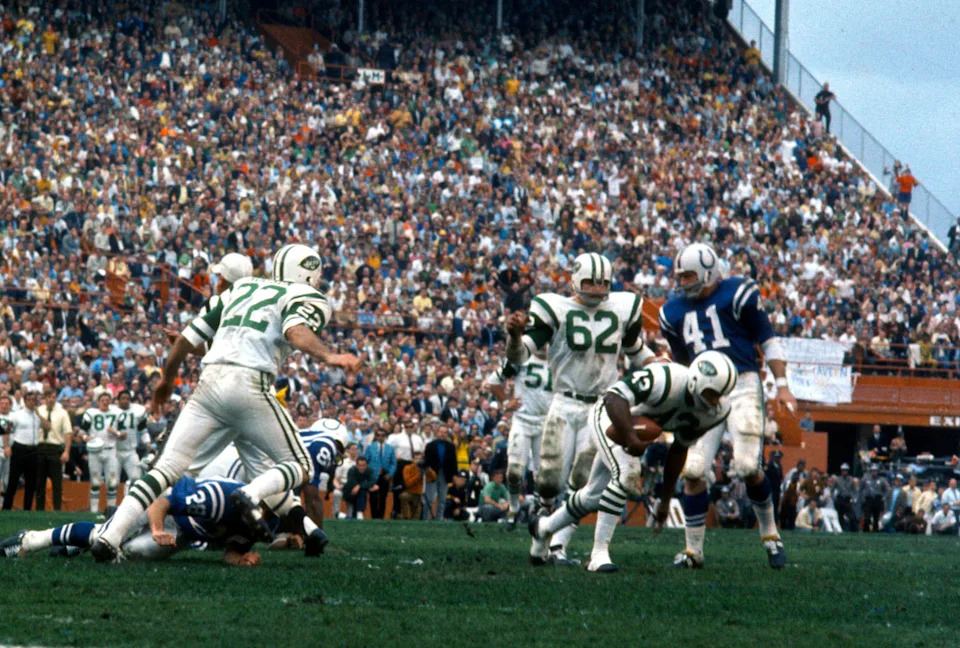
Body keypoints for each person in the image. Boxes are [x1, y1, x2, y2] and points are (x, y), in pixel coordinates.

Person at [91, 244, 361, 562]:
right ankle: (251, 494)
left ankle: (110, 536)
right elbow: (295, 331)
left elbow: (185, 340)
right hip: (250, 385)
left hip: (208, 385)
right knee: (300, 465)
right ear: (308, 273)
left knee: (166, 468)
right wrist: (332, 356)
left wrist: (165, 381)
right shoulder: (307, 297)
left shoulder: (243, 287)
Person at [506, 251, 653, 564]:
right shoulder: (555, 308)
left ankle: (558, 546)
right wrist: (515, 336)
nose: (598, 290)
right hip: (564, 400)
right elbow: (519, 357)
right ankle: (541, 537)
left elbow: (636, 352)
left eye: (603, 283)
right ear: (575, 280)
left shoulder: (622, 308)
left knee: (585, 482)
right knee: (548, 481)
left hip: (602, 405)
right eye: (590, 282)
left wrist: (658, 366)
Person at [530, 352, 736, 572]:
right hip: (610, 416)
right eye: (713, 393)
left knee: (592, 497)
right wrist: (630, 437)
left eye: (721, 395)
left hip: (633, 431)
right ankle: (598, 554)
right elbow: (614, 397)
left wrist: (665, 500)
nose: (716, 401)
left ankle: (542, 528)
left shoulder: (717, 411)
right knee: (627, 474)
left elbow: (679, 450)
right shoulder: (665, 379)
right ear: (696, 381)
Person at [659, 242, 796, 570]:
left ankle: (771, 536)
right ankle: (694, 552)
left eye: (690, 275)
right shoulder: (672, 312)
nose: (684, 281)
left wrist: (783, 385)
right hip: (702, 394)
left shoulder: (738, 292)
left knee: (748, 466)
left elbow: (768, 339)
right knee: (693, 470)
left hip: (742, 383)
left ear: (709, 271)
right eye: (681, 275)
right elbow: (681, 362)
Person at [3, 476, 274, 566]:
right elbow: (163, 503)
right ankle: (31, 539)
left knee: (130, 553)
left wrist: (241, 560)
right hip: (163, 504)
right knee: (103, 538)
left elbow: (232, 551)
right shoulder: (221, 498)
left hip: (185, 534)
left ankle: (78, 543)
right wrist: (156, 529)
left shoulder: (263, 523)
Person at [485, 347, 552, 530]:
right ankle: (513, 508)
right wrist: (506, 402)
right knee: (514, 471)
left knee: (542, 475)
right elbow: (494, 381)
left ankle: (539, 510)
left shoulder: (559, 361)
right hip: (522, 421)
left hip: (546, 423)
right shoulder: (521, 359)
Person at [1, 391, 49, 510]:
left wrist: (39, 415)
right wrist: (6, 446)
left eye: (34, 399)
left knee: (31, 482)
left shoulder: (37, 416)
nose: (32, 401)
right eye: (30, 399)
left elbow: (48, 427)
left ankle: (27, 509)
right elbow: (6, 431)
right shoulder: (17, 415)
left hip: (33, 449)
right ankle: (7, 507)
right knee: (13, 480)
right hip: (19, 448)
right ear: (25, 400)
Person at [78, 392, 122, 512]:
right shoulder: (91, 413)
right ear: (98, 402)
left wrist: (116, 432)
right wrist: (86, 438)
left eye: (107, 400)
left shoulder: (117, 414)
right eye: (102, 400)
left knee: (112, 483)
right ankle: (94, 512)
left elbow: (124, 435)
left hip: (111, 450)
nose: (105, 402)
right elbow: (81, 431)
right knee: (95, 482)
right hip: (95, 452)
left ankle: (111, 511)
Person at [35, 388, 73, 511]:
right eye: (48, 397)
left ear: (55, 398)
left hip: (55, 448)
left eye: (53, 397)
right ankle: (39, 511)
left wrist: (66, 451)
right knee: (39, 483)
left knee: (57, 483)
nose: (51, 399)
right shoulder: (38, 411)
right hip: (40, 447)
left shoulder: (62, 412)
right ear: (45, 398)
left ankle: (57, 510)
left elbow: (68, 433)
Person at [114, 390, 149, 490]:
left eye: (127, 399)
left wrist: (147, 441)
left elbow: (143, 430)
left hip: (131, 451)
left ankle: (129, 499)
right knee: (113, 481)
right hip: (115, 451)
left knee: (136, 478)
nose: (125, 401)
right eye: (123, 398)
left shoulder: (137, 412)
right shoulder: (112, 412)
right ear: (118, 400)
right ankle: (111, 504)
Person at [363, 425, 396, 519]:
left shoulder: (390, 448)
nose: (380, 437)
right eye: (378, 435)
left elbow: (393, 463)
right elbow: (366, 461)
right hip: (373, 475)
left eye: (382, 435)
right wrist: (368, 475)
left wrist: (390, 474)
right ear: (376, 436)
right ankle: (373, 516)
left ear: (385, 436)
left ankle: (381, 517)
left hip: (385, 475)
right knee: (373, 497)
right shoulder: (370, 447)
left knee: (383, 497)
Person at [424, 426, 457, 520]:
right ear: (437, 433)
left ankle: (439, 519)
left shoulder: (450, 446)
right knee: (429, 499)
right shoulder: (430, 445)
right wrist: (428, 471)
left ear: (447, 434)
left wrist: (454, 475)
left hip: (445, 474)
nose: (442, 434)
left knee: (442, 499)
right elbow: (426, 461)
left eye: (445, 432)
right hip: (432, 474)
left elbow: (453, 462)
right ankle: (425, 519)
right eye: (441, 432)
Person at [398, 451, 434, 520]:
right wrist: (418, 476)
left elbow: (434, 477)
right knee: (403, 496)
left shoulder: (424, 468)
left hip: (420, 495)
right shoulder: (407, 468)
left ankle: (403, 517)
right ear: (412, 460)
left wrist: (428, 469)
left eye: (420, 459)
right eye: (416, 459)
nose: (418, 461)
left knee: (416, 518)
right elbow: (407, 483)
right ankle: (406, 517)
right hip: (410, 492)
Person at [860, 464, 890, 532]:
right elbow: (861, 489)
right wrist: (863, 498)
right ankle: (867, 529)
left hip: (877, 500)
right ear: (871, 471)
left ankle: (875, 530)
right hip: (869, 499)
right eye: (873, 471)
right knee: (867, 517)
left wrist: (883, 498)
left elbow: (887, 490)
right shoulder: (866, 479)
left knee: (876, 517)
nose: (874, 472)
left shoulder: (881, 480)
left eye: (875, 471)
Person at [834, 463, 858, 531]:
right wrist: (834, 498)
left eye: (846, 470)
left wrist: (853, 498)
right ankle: (841, 529)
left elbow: (855, 490)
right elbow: (832, 490)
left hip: (847, 500)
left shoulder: (851, 479)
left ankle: (853, 530)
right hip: (840, 499)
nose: (845, 472)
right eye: (843, 470)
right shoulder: (837, 479)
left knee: (851, 515)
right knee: (840, 516)